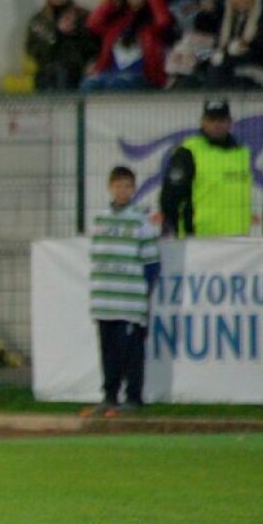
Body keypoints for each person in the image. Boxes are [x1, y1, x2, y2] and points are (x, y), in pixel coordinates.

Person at [82, 165, 160, 418]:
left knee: (131, 351)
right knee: (108, 351)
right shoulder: (100, 219)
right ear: (109, 188)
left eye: (127, 186)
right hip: (105, 298)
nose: (122, 190)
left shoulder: (141, 219)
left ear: (134, 189)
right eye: (118, 185)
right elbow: (96, 257)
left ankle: (134, 397)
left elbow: (151, 263)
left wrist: (143, 295)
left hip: (129, 301)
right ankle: (109, 397)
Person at [160, 98, 252, 236]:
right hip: (199, 239)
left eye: (221, 120)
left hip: (237, 239)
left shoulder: (241, 153)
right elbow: (170, 197)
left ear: (230, 122)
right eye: (212, 120)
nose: (217, 124)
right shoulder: (188, 152)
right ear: (203, 121)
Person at [83, 0, 175, 90]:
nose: (135, 0)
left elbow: (164, 21)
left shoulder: (151, 23)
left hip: (141, 77)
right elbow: (93, 23)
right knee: (90, 84)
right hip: (111, 73)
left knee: (118, 84)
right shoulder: (117, 23)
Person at [25, 0, 99, 90]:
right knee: (51, 73)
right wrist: (57, 33)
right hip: (47, 71)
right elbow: (34, 50)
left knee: (63, 72)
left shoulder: (83, 16)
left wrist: (75, 32)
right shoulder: (39, 21)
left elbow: (94, 47)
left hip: (76, 70)